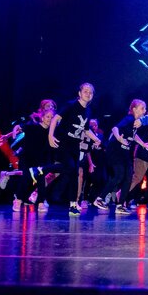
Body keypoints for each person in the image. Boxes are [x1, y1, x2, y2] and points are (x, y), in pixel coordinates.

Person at [48, 82, 101, 216]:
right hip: (63, 141)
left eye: (90, 92)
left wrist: (96, 139)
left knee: (74, 173)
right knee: (71, 168)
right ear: (79, 93)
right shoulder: (71, 105)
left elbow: (86, 129)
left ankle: (73, 204)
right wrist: (50, 135)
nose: (88, 94)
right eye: (85, 91)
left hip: (75, 145)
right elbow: (55, 119)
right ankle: (43, 170)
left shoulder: (88, 111)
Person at [94, 99, 145, 213]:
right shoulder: (129, 118)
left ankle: (120, 205)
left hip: (124, 153)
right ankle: (99, 199)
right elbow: (115, 128)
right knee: (119, 175)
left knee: (128, 177)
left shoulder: (135, 123)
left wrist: (143, 144)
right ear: (134, 109)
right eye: (142, 108)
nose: (144, 110)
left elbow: (134, 136)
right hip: (115, 151)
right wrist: (119, 138)